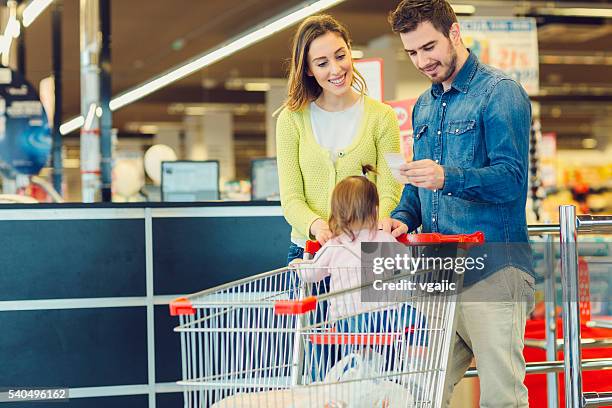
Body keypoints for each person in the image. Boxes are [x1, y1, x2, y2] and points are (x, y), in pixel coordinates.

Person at [383, 1, 536, 407]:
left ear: (454, 32)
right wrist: (401, 217)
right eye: (412, 52)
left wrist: (448, 176)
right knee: (414, 390)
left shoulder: (500, 93)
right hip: (437, 269)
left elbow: (512, 180)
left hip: (494, 266)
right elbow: (419, 183)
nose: (422, 61)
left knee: (501, 396)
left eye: (429, 47)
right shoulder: (425, 105)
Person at [276, 14, 402, 265]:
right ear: (309, 70)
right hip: (309, 252)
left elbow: (392, 187)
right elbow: (291, 199)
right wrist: (318, 226)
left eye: (341, 56)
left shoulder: (383, 116)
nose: (336, 69)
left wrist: (375, 226)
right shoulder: (291, 120)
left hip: (367, 252)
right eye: (322, 63)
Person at [294, 166, 400, 325]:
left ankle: (359, 351)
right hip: (385, 319)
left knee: (353, 343)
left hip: (347, 320)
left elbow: (312, 274)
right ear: (375, 209)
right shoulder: (387, 239)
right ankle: (412, 347)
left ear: (337, 212)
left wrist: (298, 265)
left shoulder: (334, 245)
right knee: (415, 320)